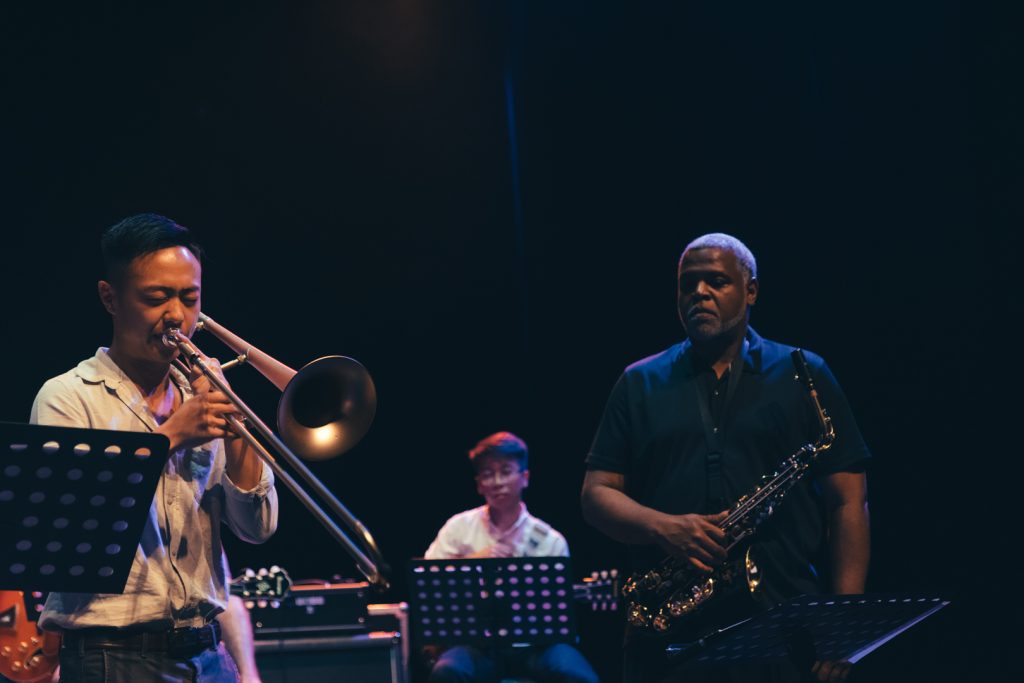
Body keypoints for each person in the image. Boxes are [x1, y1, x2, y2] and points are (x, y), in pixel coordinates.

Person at [580, 233, 870, 683]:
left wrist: (843, 622)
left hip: (783, 623)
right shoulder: (639, 382)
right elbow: (596, 495)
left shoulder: (804, 373)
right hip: (670, 628)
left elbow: (848, 502)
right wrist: (665, 528)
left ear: (751, 290)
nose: (699, 293)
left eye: (716, 281)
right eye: (688, 284)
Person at [31, 213, 278, 682]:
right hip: (113, 656)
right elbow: (68, 537)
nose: (177, 315)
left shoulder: (203, 393)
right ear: (110, 297)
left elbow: (257, 528)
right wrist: (169, 438)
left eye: (190, 297)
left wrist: (238, 430)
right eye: (156, 297)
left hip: (209, 653)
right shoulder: (68, 397)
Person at [423, 432, 599, 683]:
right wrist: (473, 562)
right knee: (447, 672)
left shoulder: (550, 540)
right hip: (475, 646)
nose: (497, 481)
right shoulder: (458, 527)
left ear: (524, 478)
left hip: (536, 648)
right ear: (478, 484)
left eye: (506, 471)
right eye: (487, 474)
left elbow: (558, 609)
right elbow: (428, 580)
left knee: (579, 676)